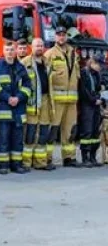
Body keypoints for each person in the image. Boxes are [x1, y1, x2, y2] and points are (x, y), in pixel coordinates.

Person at [0, 42, 31, 174]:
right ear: (3, 51)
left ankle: (16, 164)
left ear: (15, 52)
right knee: (3, 139)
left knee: (18, 139)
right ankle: (2, 165)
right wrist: (8, 98)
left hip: (18, 109)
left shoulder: (21, 67)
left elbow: (28, 86)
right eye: (7, 49)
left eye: (12, 49)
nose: (9, 52)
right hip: (4, 109)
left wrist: (18, 98)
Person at [44, 26, 79, 167]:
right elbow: (46, 78)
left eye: (63, 35)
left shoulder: (73, 52)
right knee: (53, 130)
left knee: (70, 130)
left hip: (71, 101)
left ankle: (69, 157)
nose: (61, 37)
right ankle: (46, 158)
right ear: (55, 37)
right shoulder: (49, 54)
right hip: (56, 101)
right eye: (58, 35)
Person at [20, 38, 53, 171]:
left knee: (44, 131)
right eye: (36, 46)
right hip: (32, 102)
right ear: (31, 48)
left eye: (41, 45)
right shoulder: (25, 63)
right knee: (30, 132)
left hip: (45, 100)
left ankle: (40, 162)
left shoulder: (47, 62)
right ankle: (26, 162)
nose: (39, 48)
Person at [77, 55, 103, 167]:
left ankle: (93, 156)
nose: (100, 67)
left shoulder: (96, 74)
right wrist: (93, 100)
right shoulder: (84, 73)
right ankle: (85, 157)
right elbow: (84, 91)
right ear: (92, 63)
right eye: (99, 64)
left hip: (96, 104)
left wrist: (100, 98)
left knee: (95, 131)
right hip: (87, 105)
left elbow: (98, 88)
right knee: (87, 131)